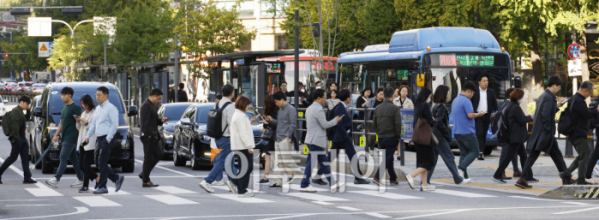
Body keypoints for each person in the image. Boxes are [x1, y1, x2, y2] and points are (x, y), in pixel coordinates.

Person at [516, 76, 570, 189]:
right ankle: (566, 178)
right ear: (554, 86)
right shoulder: (549, 97)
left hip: (541, 132)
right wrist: (548, 130)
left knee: (547, 155)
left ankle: (522, 178)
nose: (558, 90)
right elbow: (545, 115)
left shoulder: (543, 96)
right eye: (558, 88)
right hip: (545, 133)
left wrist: (556, 107)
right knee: (555, 155)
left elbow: (544, 111)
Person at [300, 89, 343, 193]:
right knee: (311, 164)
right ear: (318, 98)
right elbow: (325, 125)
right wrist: (335, 121)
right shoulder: (319, 110)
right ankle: (305, 184)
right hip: (316, 140)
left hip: (311, 139)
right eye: (324, 97)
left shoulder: (309, 108)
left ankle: (332, 183)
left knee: (323, 163)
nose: (325, 99)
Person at [84, 86, 125, 194]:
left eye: (99, 95)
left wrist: (108, 138)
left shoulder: (111, 108)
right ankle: (116, 178)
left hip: (107, 138)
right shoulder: (98, 108)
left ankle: (103, 187)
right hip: (99, 138)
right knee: (98, 162)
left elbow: (114, 124)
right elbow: (93, 124)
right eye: (96, 95)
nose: (97, 97)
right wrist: (88, 135)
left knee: (102, 162)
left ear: (106, 95)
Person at [492, 89, 536, 184]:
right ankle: (497, 174)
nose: (522, 99)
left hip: (516, 136)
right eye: (521, 97)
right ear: (518, 97)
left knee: (524, 156)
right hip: (516, 136)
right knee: (508, 157)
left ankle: (528, 176)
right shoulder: (515, 107)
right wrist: (531, 117)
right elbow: (522, 120)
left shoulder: (510, 105)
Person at [427, 85, 469, 186]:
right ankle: (458, 179)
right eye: (447, 92)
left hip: (433, 135)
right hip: (440, 137)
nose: (448, 94)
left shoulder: (435, 105)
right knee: (449, 157)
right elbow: (440, 122)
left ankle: (425, 181)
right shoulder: (441, 106)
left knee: (433, 160)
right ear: (444, 94)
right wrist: (447, 133)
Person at [199, 84, 238, 193]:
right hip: (226, 137)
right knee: (223, 161)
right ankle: (207, 181)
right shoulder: (230, 106)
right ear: (232, 94)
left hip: (218, 137)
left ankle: (233, 183)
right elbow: (232, 124)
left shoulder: (218, 104)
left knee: (229, 160)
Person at [46, 87, 85, 188]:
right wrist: (56, 135)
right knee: (74, 159)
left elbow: (80, 122)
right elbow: (61, 123)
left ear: (70, 95)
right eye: (61, 95)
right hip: (65, 136)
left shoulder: (75, 107)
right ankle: (81, 178)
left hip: (72, 137)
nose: (62, 97)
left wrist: (82, 138)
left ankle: (56, 179)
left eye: (64, 95)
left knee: (63, 156)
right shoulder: (64, 108)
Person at [330, 89, 370, 184]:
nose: (351, 98)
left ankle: (319, 174)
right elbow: (339, 123)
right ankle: (358, 177)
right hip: (342, 137)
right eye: (350, 97)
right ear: (347, 98)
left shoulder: (342, 106)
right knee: (353, 156)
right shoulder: (340, 107)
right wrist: (346, 135)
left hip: (339, 137)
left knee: (330, 157)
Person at [563, 81, 599, 185]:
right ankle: (581, 179)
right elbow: (587, 114)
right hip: (578, 132)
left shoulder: (574, 98)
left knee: (584, 154)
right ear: (585, 90)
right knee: (585, 154)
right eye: (590, 93)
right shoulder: (578, 100)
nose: (590, 95)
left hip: (576, 132)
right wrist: (596, 111)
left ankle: (567, 173)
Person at [267, 91, 305, 189]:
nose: (276, 104)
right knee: (278, 161)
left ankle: (303, 178)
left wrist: (288, 135)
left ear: (282, 99)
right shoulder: (281, 110)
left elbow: (293, 124)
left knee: (287, 160)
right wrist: (272, 120)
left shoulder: (291, 109)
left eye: (276, 102)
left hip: (285, 138)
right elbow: (279, 123)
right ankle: (277, 182)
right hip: (278, 137)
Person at [452, 82, 486, 181]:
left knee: (463, 153)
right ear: (468, 91)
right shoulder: (466, 101)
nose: (472, 96)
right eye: (472, 94)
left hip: (457, 131)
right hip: (467, 131)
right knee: (475, 151)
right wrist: (478, 114)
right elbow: (470, 115)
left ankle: (462, 177)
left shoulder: (455, 100)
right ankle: (460, 169)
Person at [404, 88, 436, 191]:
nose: (430, 97)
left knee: (422, 161)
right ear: (427, 95)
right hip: (425, 138)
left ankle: (425, 184)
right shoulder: (425, 105)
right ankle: (412, 176)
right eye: (430, 95)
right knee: (429, 161)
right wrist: (433, 120)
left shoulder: (417, 104)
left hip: (418, 136)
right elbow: (430, 121)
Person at [0, 96, 37, 184]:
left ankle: (27, 177)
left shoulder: (20, 111)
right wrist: (16, 139)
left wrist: (28, 110)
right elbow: (14, 126)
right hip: (18, 139)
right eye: (27, 104)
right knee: (12, 158)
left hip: (22, 138)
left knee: (25, 158)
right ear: (22, 102)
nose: (27, 106)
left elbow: (27, 119)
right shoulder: (16, 111)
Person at [229, 96, 259, 197]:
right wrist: (249, 146)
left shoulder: (239, 115)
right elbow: (243, 133)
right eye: (247, 104)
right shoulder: (240, 116)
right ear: (243, 105)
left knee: (245, 167)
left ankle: (235, 182)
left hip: (240, 145)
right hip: (242, 146)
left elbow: (242, 130)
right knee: (247, 167)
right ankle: (241, 190)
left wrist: (250, 122)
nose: (248, 106)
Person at [259, 95, 293, 184]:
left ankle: (288, 174)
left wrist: (267, 123)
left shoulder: (278, 112)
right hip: (273, 138)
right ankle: (266, 177)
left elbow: (277, 126)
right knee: (270, 157)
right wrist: (266, 123)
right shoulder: (271, 112)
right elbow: (266, 125)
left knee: (273, 158)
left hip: (276, 137)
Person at [372, 87, 402, 186]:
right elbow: (398, 124)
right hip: (392, 136)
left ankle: (393, 178)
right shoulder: (395, 108)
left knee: (389, 158)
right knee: (388, 157)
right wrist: (398, 136)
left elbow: (374, 123)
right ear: (393, 96)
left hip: (381, 137)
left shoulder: (377, 108)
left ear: (384, 96)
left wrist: (378, 133)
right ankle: (377, 176)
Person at [139, 89, 169, 187]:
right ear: (154, 96)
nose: (159, 101)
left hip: (153, 135)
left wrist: (161, 121)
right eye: (159, 98)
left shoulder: (151, 105)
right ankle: (146, 180)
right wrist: (148, 134)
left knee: (158, 154)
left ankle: (145, 173)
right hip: (149, 136)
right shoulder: (146, 105)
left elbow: (153, 120)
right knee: (148, 157)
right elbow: (144, 123)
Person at [75, 94, 100, 193]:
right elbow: (79, 128)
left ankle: (85, 186)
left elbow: (94, 128)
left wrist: (86, 123)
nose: (83, 105)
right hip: (82, 141)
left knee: (86, 165)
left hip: (90, 142)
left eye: (84, 103)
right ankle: (97, 178)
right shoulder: (83, 114)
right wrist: (78, 122)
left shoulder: (94, 114)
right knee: (81, 165)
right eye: (82, 104)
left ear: (89, 103)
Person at [472, 75, 498, 160]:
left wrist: (496, 113)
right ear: (479, 82)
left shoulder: (491, 92)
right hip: (478, 115)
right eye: (484, 81)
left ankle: (481, 151)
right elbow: (471, 103)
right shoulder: (475, 91)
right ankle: (480, 152)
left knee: (483, 135)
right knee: (479, 133)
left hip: (487, 115)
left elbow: (494, 104)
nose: (486, 82)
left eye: (487, 81)